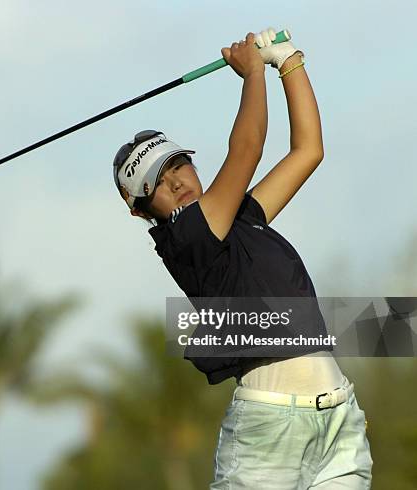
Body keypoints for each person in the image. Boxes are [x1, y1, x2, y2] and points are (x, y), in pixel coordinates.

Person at [112, 28, 373, 489]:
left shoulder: (244, 218)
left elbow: (308, 150)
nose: (176, 183)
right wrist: (253, 72)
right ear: (140, 209)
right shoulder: (187, 239)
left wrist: (288, 61)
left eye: (178, 166)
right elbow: (248, 148)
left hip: (337, 418)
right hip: (268, 432)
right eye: (158, 184)